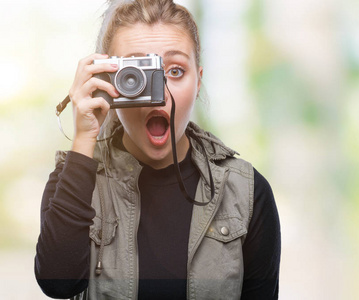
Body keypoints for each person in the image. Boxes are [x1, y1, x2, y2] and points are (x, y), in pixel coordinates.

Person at [34, 0, 281, 299]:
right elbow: (58, 285)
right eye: (135, 75)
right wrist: (84, 137)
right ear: (108, 82)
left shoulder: (246, 193)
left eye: (175, 71)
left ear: (199, 81)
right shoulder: (73, 180)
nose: (158, 94)